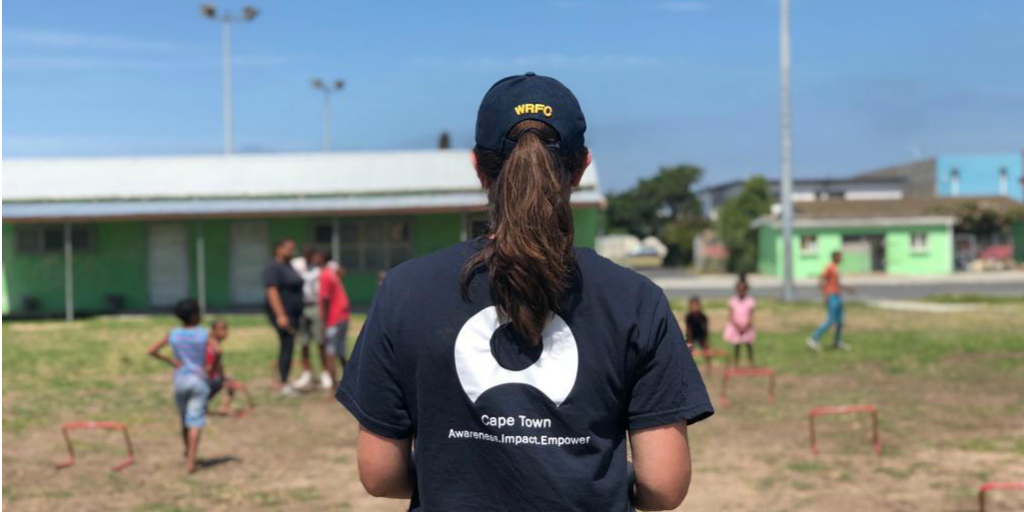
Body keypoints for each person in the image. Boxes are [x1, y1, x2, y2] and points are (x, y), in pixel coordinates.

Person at [338, 73, 713, 511]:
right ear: (581, 168)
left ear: (478, 168)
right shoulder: (636, 301)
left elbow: (380, 474)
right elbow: (663, 487)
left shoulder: (404, 292)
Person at [147, 299, 219, 474]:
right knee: (195, 420)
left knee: (184, 420)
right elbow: (218, 350)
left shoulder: (174, 334)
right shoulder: (204, 333)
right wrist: (211, 367)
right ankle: (191, 462)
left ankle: (187, 452)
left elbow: (152, 350)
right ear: (195, 316)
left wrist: (171, 360)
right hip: (199, 380)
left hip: (180, 381)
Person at [264, 238, 305, 396]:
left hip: (293, 313)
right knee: (286, 346)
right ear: (278, 249)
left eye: (293, 248)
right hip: (284, 314)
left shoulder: (289, 266)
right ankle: (283, 383)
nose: (291, 251)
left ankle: (284, 379)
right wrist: (281, 315)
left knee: (288, 346)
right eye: (288, 248)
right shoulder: (273, 268)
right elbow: (272, 291)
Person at [292, 248, 332, 391]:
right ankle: (307, 373)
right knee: (304, 342)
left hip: (316, 306)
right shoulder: (296, 265)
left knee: (321, 341)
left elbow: (339, 271)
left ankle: (325, 372)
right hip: (301, 306)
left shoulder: (322, 267)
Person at [807, 251, 853, 352]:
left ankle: (837, 342)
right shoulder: (830, 267)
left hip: (837, 296)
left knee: (840, 321)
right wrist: (825, 293)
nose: (842, 258)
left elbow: (836, 283)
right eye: (840, 256)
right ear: (835, 257)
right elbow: (821, 279)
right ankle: (813, 339)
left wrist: (848, 289)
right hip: (831, 297)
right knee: (830, 320)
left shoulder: (836, 268)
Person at [206, 320, 254, 416]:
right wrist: (222, 378)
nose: (224, 333)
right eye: (220, 330)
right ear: (213, 330)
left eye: (225, 329)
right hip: (207, 376)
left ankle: (222, 406)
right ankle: (207, 405)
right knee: (228, 383)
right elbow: (211, 366)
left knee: (228, 382)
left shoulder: (213, 342)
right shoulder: (215, 346)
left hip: (211, 375)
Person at [320, 260, 351, 387]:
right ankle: (351, 380)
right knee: (341, 350)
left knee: (330, 352)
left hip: (334, 319)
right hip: (343, 317)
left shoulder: (324, 276)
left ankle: (332, 386)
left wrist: (324, 323)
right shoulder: (333, 274)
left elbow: (325, 299)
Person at [723, 277, 756, 366]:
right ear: (737, 289)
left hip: (747, 327)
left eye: (743, 289)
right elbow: (730, 316)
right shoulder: (732, 301)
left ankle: (751, 363)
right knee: (736, 345)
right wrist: (737, 326)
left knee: (748, 345)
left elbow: (751, 316)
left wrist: (746, 326)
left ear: (746, 289)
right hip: (736, 326)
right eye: (739, 289)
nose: (741, 291)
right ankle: (736, 363)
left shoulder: (750, 301)